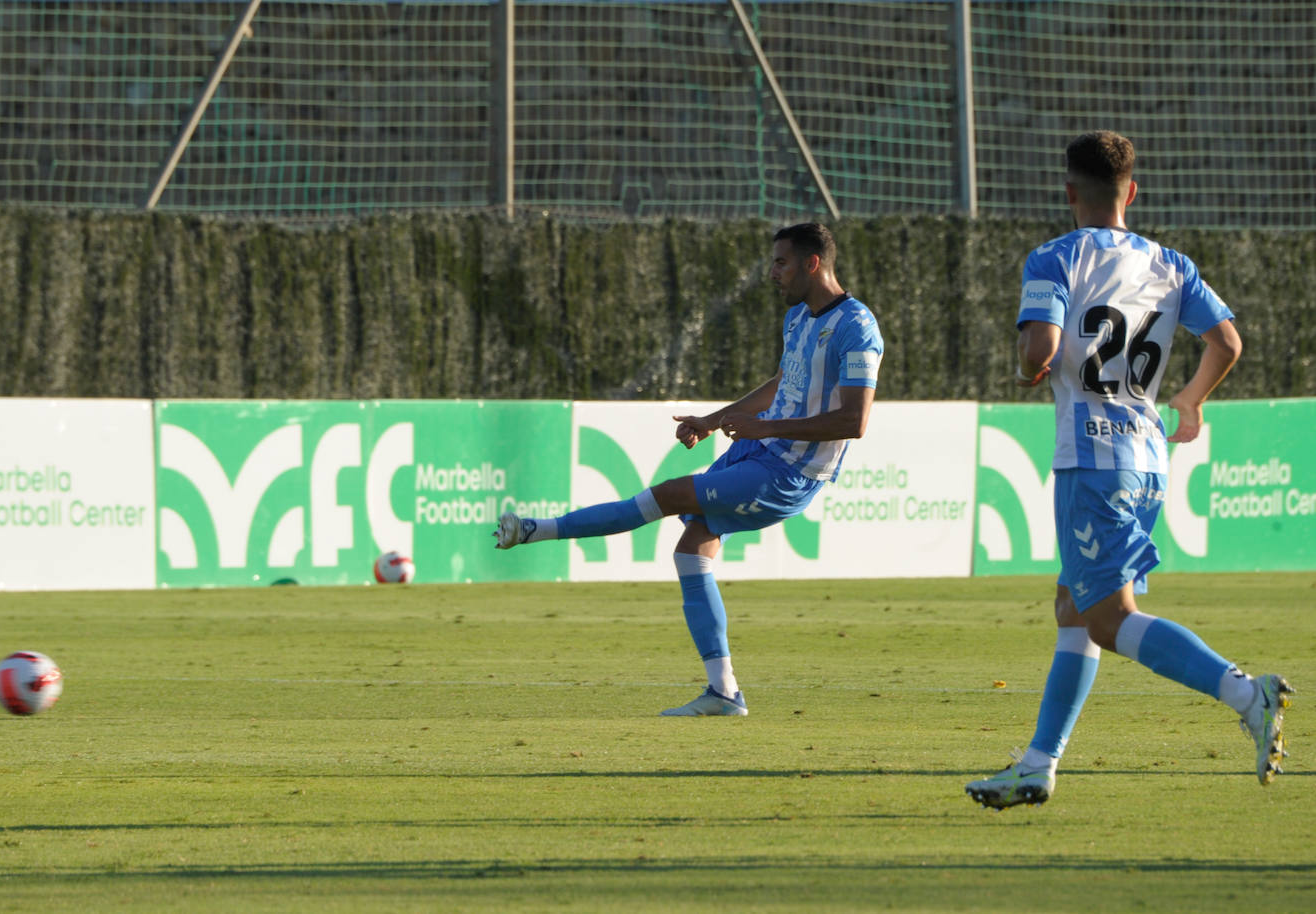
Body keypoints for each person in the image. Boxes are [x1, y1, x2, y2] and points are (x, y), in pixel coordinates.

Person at [966, 130, 1293, 809]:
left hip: (1091, 458)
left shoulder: (1054, 256)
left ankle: (1245, 693)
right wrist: (1191, 398)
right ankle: (1037, 764)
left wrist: (1031, 365)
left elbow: (1039, 349)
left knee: (1109, 619)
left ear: (1069, 193)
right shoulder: (1171, 263)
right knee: (1073, 609)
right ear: (1132, 193)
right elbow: (1226, 340)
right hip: (1146, 458)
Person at [493, 222, 883, 716]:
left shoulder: (857, 326)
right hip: (758, 453)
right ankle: (723, 692)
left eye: (781, 262)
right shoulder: (797, 320)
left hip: (791, 472)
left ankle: (536, 530)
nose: (771, 273)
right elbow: (783, 383)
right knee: (690, 550)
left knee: (670, 495)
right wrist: (716, 418)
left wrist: (763, 429)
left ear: (812, 263)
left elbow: (854, 421)